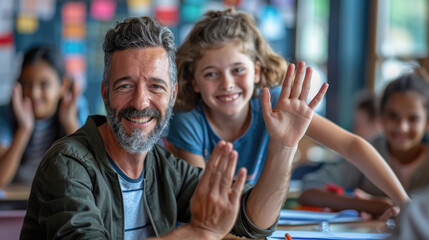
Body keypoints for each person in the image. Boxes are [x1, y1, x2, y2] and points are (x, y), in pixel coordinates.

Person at [20, 16, 327, 239]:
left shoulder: (164, 168)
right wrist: (198, 233)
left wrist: (284, 146)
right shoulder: (68, 164)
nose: (141, 101)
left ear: (174, 95)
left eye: (156, 86)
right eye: (125, 85)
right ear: (104, 93)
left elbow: (254, 220)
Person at [166, 8, 409, 213]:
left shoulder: (276, 104)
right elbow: (204, 205)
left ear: (257, 72)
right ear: (194, 81)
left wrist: (405, 206)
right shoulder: (189, 122)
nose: (227, 83)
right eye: (211, 74)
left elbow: (352, 146)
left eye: (238, 69)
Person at [299, 72, 429, 218]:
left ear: (427, 123)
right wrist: (374, 205)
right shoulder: (369, 152)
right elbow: (309, 191)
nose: (402, 127)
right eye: (393, 116)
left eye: (413, 119)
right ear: (381, 117)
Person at [0, 45, 88, 188]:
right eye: (27, 83)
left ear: (63, 86)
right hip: (17, 203)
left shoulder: (76, 108)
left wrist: (69, 121)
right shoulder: (6, 114)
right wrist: (24, 129)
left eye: (44, 84)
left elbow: (90, 172)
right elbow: (1, 180)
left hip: (61, 201)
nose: (34, 93)